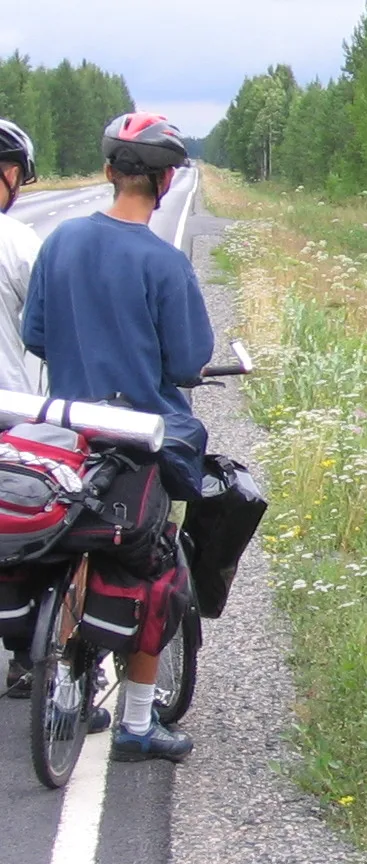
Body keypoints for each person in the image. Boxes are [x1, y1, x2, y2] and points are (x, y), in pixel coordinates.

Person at [22, 112, 213, 761]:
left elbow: (36, 337)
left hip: (65, 432)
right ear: (166, 180)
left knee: (67, 548)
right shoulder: (163, 263)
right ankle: (135, 722)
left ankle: (68, 699)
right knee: (153, 566)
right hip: (135, 437)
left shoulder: (60, 243)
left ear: (109, 172)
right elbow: (188, 363)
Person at [1, 118, 47, 698]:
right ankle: (24, 658)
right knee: (25, 534)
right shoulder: (19, 244)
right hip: (10, 407)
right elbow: (49, 328)